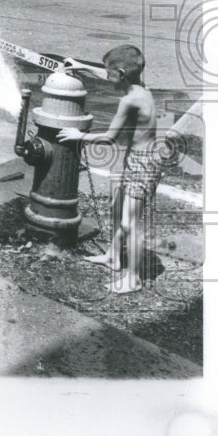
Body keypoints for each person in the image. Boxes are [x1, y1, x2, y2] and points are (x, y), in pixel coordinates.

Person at [59, 45, 160, 294]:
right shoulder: (137, 84)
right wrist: (82, 66)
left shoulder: (129, 100)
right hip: (135, 159)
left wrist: (78, 135)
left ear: (122, 74)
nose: (106, 77)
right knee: (117, 209)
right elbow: (114, 71)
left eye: (110, 73)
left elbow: (110, 139)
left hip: (144, 164)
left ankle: (133, 279)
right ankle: (114, 256)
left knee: (130, 224)